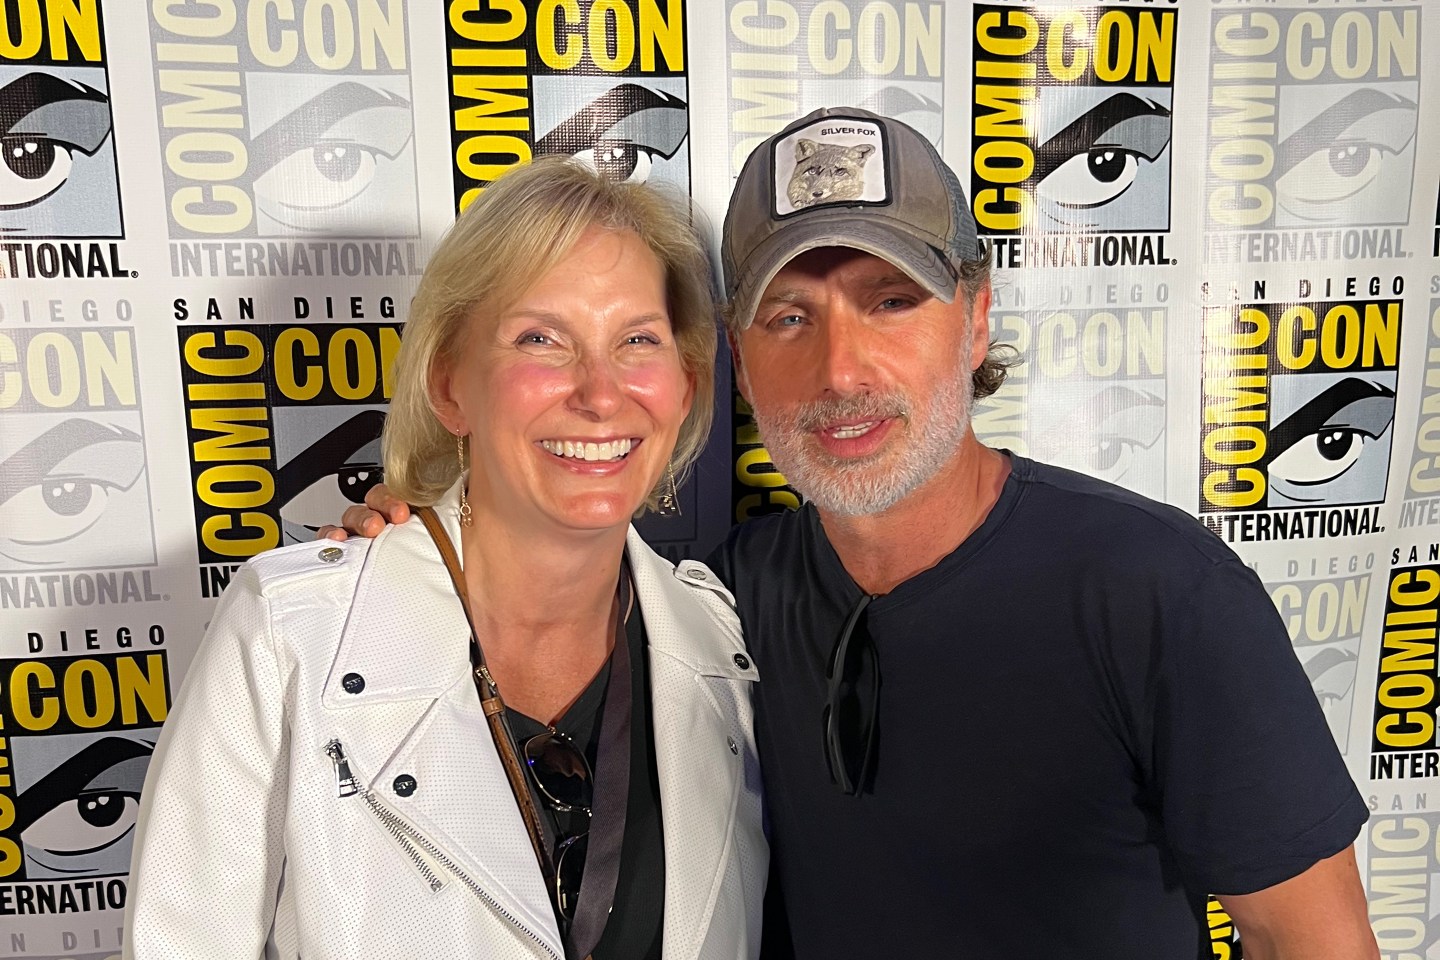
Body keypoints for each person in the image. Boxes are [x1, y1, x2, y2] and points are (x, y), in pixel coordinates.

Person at [330, 108, 1377, 958]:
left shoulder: (1157, 593)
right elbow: (526, 591)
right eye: (791, 315)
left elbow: (1313, 941)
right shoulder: (713, 601)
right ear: (738, 350)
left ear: (973, 321)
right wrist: (424, 552)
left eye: (889, 301)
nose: (840, 371)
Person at [126, 158, 766, 960]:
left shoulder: (728, 645)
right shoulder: (290, 635)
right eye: (541, 338)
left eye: (637, 340)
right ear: (449, 384)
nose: (600, 394)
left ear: (685, 383)